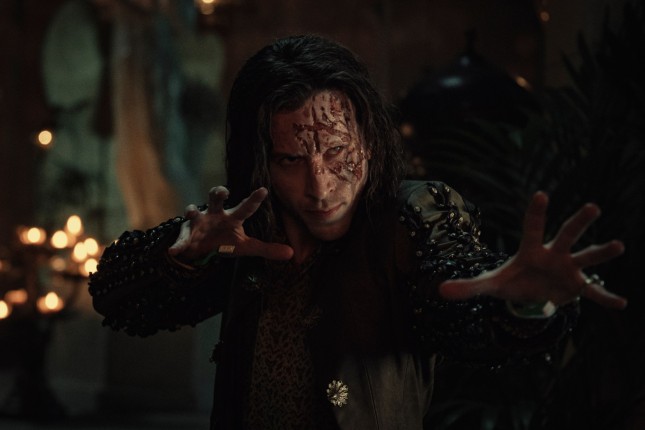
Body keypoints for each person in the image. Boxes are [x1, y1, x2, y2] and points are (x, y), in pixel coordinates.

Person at [88, 34, 627, 429]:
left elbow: (462, 303)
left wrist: (524, 304)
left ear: (369, 140)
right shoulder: (244, 227)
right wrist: (184, 256)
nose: (320, 186)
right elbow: (117, 297)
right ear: (260, 163)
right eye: (291, 160)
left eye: (338, 152)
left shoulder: (411, 217)